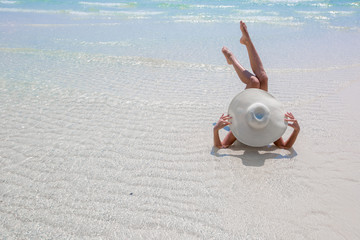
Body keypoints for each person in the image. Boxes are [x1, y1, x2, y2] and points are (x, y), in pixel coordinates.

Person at [213, 21, 300, 149]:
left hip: (244, 112)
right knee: (263, 78)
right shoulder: (268, 124)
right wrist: (296, 130)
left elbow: (221, 146)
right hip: (256, 107)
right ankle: (246, 42)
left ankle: (232, 58)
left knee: (254, 82)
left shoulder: (240, 130)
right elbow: (284, 146)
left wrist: (216, 130)